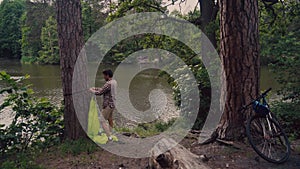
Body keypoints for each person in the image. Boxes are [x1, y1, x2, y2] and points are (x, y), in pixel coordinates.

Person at [90, 69, 117, 141]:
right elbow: (103, 89)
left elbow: (100, 93)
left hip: (108, 105)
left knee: (102, 120)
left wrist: (92, 91)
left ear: (107, 75)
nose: (104, 77)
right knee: (110, 119)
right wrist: (95, 88)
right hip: (113, 104)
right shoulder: (114, 82)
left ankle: (109, 137)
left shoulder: (108, 83)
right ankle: (111, 133)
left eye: (104, 76)